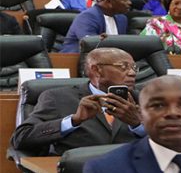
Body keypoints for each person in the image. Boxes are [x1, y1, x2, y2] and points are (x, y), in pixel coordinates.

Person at [11, 47, 146, 155]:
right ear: (96, 70)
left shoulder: (144, 99)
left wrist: (137, 125)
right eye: (123, 67)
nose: (132, 73)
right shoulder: (58, 97)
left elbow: (165, 143)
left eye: (134, 67)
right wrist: (73, 121)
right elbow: (21, 138)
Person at [61, 0, 130, 53]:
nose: (129, 2)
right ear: (109, 2)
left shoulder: (122, 19)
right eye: (124, 0)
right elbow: (91, 46)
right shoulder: (87, 17)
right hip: (75, 60)